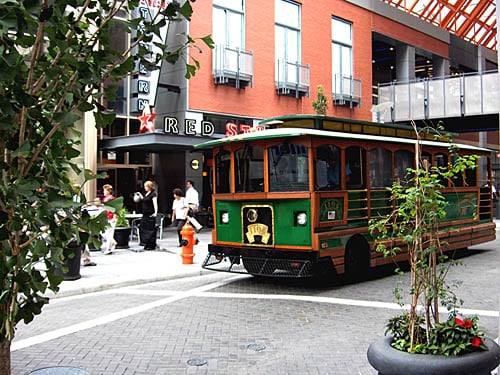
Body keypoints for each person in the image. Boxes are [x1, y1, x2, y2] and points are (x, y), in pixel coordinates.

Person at [139, 180, 158, 250]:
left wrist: (155, 212)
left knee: (150, 229)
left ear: (149, 187)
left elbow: (155, 204)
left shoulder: (153, 194)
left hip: (150, 213)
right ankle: (146, 242)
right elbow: (144, 200)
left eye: (146, 186)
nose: (144, 188)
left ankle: (151, 244)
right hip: (145, 214)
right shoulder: (146, 194)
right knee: (143, 228)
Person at [102, 184, 117, 254]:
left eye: (104, 190)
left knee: (110, 233)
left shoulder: (111, 199)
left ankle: (108, 248)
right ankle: (113, 242)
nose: (103, 192)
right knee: (105, 233)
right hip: (106, 217)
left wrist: (114, 217)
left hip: (111, 217)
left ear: (108, 191)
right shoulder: (105, 199)